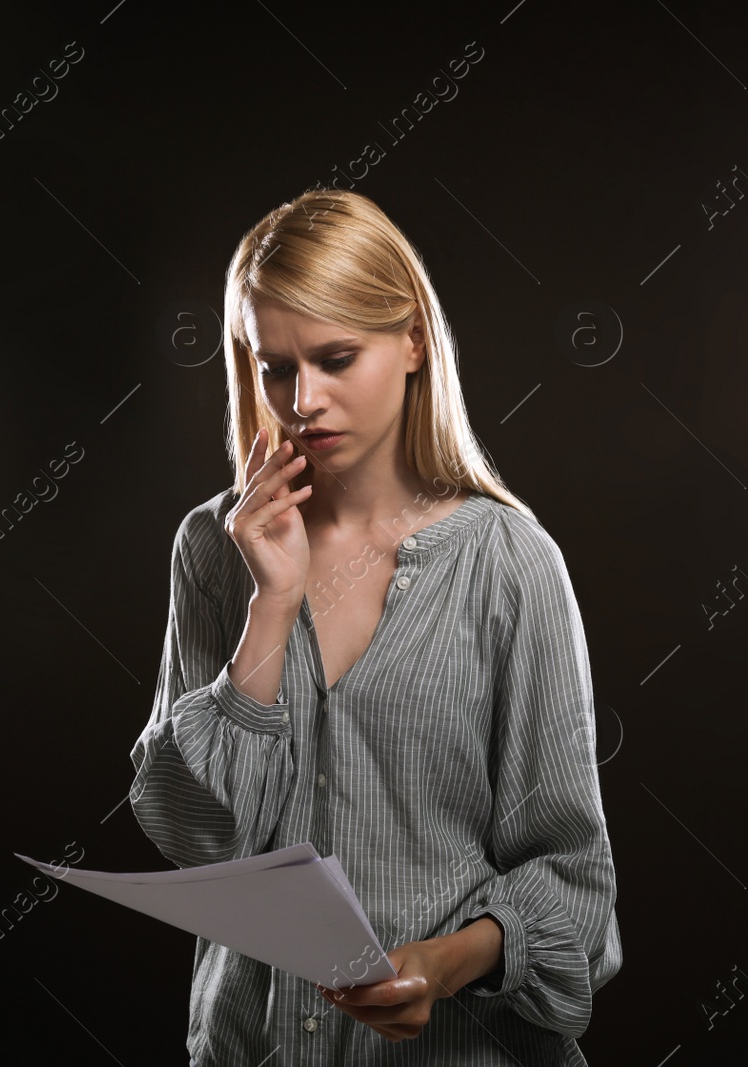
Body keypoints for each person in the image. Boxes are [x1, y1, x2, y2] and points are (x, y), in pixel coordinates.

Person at [129, 188, 620, 1065]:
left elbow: (575, 886)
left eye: (335, 357)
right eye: (274, 367)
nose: (302, 400)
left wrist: (440, 964)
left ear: (413, 342)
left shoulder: (511, 563)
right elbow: (192, 835)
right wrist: (271, 602)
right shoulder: (215, 548)